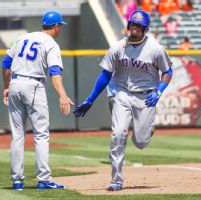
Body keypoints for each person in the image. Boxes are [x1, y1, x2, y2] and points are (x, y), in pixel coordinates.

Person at [73, 10, 173, 191]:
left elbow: (167, 72)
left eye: (138, 25)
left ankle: (147, 130)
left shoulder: (156, 49)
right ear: (128, 26)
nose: (134, 27)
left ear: (145, 29)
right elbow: (105, 75)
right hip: (122, 93)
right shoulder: (118, 47)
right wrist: (90, 99)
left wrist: (159, 91)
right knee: (118, 134)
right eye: (132, 24)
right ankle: (116, 180)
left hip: (146, 96)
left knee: (141, 143)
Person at [1, 11, 73, 190]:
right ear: (56, 26)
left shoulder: (23, 37)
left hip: (16, 83)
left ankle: (17, 181)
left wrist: (7, 86)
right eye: (60, 26)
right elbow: (55, 71)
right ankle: (44, 180)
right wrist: (62, 95)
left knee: (17, 135)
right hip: (33, 86)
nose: (60, 29)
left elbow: (5, 64)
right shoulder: (51, 43)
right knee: (41, 134)